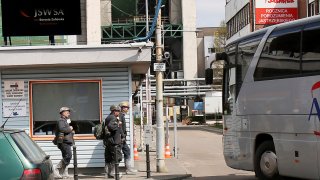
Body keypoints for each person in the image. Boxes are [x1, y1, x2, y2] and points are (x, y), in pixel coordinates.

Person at [53, 107, 74, 179]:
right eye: (67, 111)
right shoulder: (61, 120)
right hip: (64, 142)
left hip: (66, 141)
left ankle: (65, 174)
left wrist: (71, 131)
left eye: (69, 111)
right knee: (68, 156)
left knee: (65, 156)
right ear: (62, 112)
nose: (69, 113)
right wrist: (70, 129)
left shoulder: (65, 120)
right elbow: (62, 129)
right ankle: (56, 170)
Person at [119, 101, 137, 174]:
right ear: (122, 108)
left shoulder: (121, 115)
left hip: (122, 139)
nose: (127, 109)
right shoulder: (120, 116)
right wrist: (122, 136)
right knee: (117, 154)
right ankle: (112, 171)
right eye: (126, 108)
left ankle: (128, 169)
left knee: (127, 151)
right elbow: (119, 128)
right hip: (120, 139)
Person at [104, 105, 123, 178]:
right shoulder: (113, 118)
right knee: (117, 156)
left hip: (109, 141)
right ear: (114, 111)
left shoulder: (108, 117)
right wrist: (118, 124)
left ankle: (108, 173)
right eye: (117, 111)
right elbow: (111, 127)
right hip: (114, 141)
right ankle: (113, 173)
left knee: (109, 157)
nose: (118, 112)